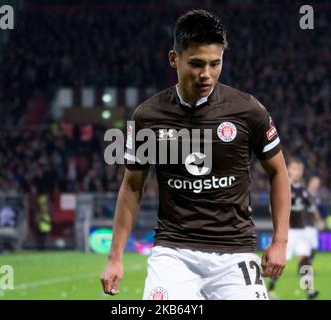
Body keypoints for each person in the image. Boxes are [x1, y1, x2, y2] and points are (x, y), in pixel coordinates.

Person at [101, 10, 291, 300]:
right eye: (197, 64)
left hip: (235, 252)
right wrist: (115, 258)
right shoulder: (148, 117)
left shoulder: (248, 110)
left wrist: (280, 241)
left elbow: (278, 172)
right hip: (174, 252)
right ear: (174, 59)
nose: (207, 74)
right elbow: (132, 186)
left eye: (215, 64)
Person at [268, 158, 319, 299]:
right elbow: (272, 208)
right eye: (295, 168)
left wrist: (316, 220)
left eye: (300, 169)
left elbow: (310, 209)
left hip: (302, 230)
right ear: (288, 169)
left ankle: (309, 289)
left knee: (305, 260)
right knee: (280, 261)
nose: (298, 172)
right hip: (288, 232)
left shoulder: (303, 190)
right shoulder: (282, 186)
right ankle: (269, 289)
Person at [306, 176, 325, 264]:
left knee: (314, 246)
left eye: (318, 183)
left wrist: (319, 220)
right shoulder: (304, 193)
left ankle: (307, 264)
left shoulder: (316, 196)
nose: (316, 185)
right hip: (302, 224)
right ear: (310, 182)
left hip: (311, 224)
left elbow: (315, 210)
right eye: (315, 182)